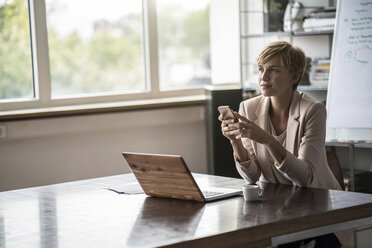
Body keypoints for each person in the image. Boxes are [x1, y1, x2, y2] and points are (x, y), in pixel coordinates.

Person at [219, 41, 345, 247]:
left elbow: (305, 178)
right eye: (261, 69)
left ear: (294, 76)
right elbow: (251, 176)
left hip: (317, 205)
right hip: (275, 205)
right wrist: (235, 141)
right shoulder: (248, 108)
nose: (263, 77)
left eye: (273, 70)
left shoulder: (313, 111)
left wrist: (267, 139)